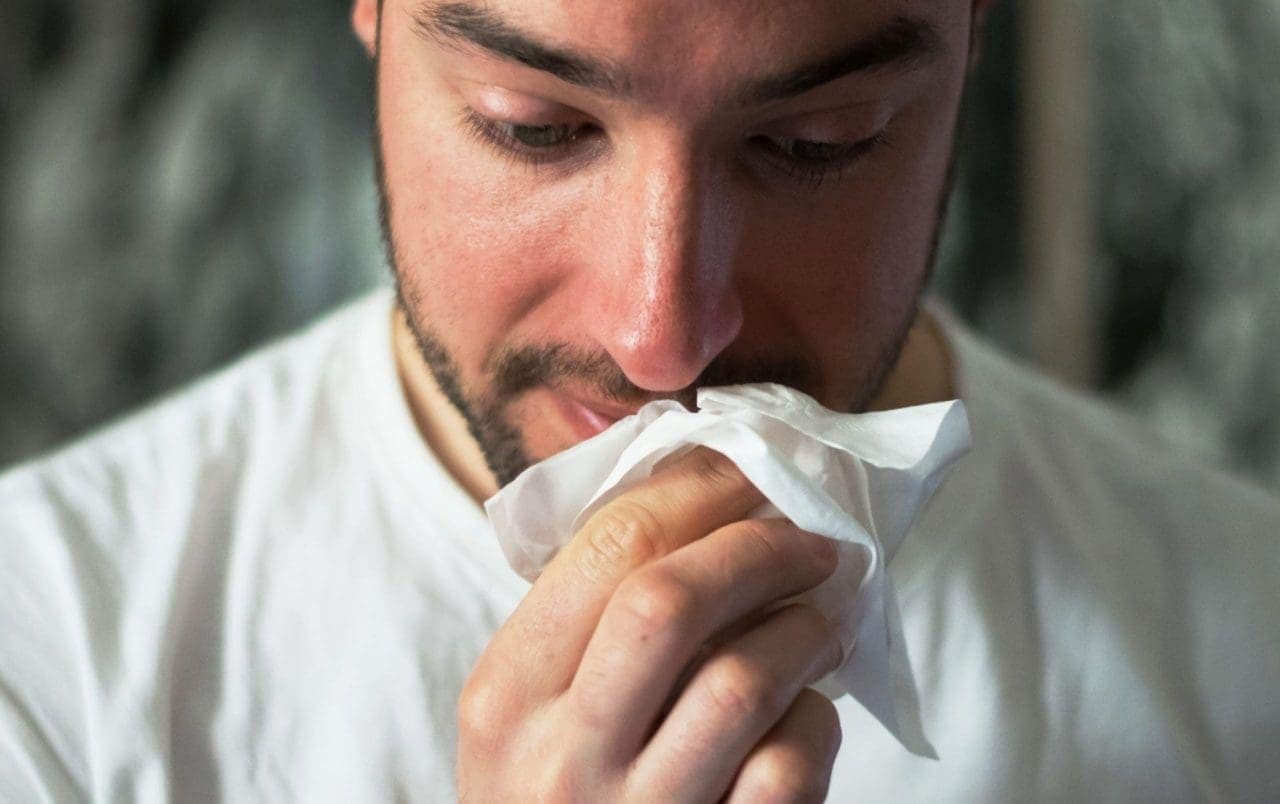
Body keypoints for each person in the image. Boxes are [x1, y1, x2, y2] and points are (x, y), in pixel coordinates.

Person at [2, 0, 1277, 800]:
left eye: (814, 144)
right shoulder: (44, 669)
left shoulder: (1243, 649)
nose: (661, 336)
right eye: (533, 128)